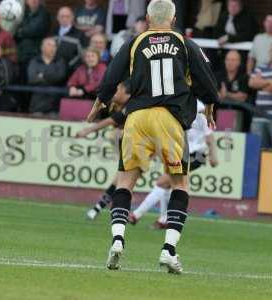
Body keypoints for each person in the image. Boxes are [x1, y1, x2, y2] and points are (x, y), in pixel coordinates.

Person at [86, 0, 218, 273]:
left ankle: (118, 240)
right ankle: (169, 251)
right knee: (180, 184)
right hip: (169, 119)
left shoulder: (135, 42)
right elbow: (206, 80)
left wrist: (100, 101)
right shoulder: (185, 43)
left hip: (137, 118)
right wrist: (211, 104)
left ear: (146, 18)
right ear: (173, 18)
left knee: (125, 182)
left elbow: (112, 74)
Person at [129, 101, 219, 228]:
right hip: (180, 152)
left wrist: (213, 155)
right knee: (169, 184)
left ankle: (136, 215)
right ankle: (163, 219)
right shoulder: (175, 103)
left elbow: (209, 135)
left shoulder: (199, 108)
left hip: (196, 154)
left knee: (163, 182)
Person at [76, 81, 130, 220]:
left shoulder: (133, 104)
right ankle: (100, 208)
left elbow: (112, 121)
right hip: (130, 146)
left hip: (146, 144)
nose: (114, 93)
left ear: (126, 92)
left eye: (117, 90)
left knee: (122, 178)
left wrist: (88, 130)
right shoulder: (113, 104)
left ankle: (102, 208)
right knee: (121, 178)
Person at [27, 37, 67, 115]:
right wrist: (51, 76)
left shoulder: (60, 61)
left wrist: (42, 75)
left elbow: (60, 77)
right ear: (42, 47)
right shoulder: (35, 61)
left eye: (54, 46)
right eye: (49, 45)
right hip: (37, 102)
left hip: (54, 103)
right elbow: (31, 78)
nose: (52, 48)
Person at [15, 0, 50, 82]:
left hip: (34, 55)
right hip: (21, 54)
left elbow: (33, 30)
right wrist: (21, 31)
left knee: (31, 82)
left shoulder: (43, 13)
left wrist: (20, 31)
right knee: (20, 81)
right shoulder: (23, 13)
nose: (33, 0)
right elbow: (15, 29)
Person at [53, 6, 87, 74]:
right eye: (62, 16)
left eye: (67, 16)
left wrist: (70, 65)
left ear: (72, 17)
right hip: (53, 69)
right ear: (57, 18)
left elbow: (82, 55)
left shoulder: (80, 34)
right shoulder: (53, 32)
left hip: (70, 71)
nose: (64, 19)